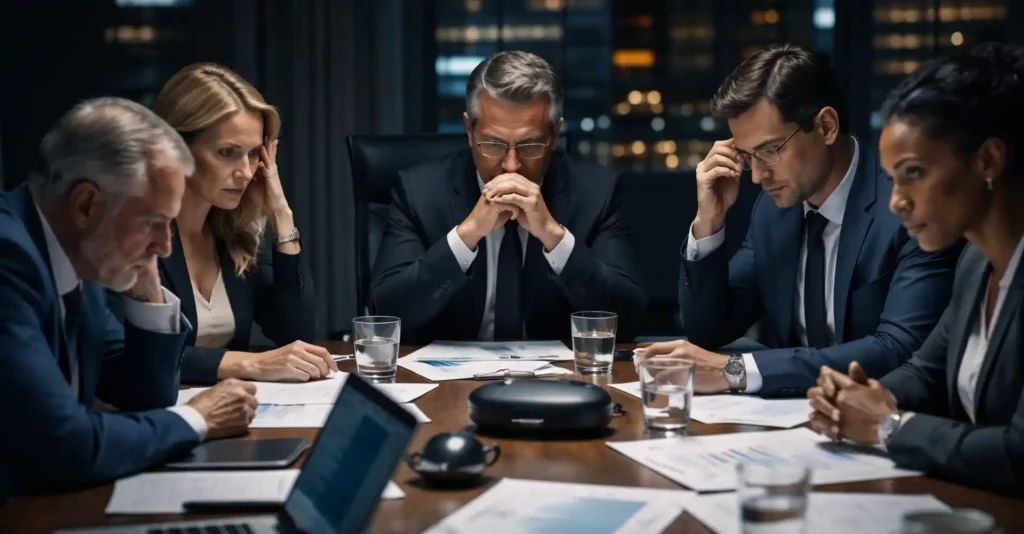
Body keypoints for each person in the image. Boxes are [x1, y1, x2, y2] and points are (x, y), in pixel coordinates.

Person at [636, 44, 961, 397]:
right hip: (787, 417)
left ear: (826, 127)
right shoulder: (773, 212)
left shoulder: (906, 207)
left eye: (770, 150)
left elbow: (898, 349)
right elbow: (708, 331)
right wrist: (709, 221)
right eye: (747, 156)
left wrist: (736, 371)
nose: (757, 176)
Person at [0, 98, 257, 502]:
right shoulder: (9, 259)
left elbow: (143, 395)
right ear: (87, 205)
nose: (165, 247)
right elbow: (64, 445)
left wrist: (148, 290)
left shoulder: (78, 250)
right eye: (154, 222)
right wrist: (197, 418)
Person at [808, 43, 1024, 496]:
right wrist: (857, 396)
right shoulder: (975, 263)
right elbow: (927, 372)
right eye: (892, 179)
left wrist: (887, 425)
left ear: (987, 160)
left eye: (914, 173)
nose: (896, 202)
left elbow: (1017, 452)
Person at [370, 51, 646, 343]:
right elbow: (385, 317)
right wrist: (466, 235)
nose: (511, 165)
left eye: (530, 145)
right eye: (493, 144)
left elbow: (629, 320)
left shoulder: (597, 193)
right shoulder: (420, 192)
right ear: (469, 131)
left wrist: (554, 237)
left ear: (554, 134)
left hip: (561, 371)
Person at [107, 63, 333, 385]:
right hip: (156, 411)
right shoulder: (128, 233)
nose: (245, 172)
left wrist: (281, 215)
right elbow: (123, 355)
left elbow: (297, 333)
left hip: (232, 408)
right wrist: (249, 363)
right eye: (227, 153)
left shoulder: (235, 235)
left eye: (253, 154)